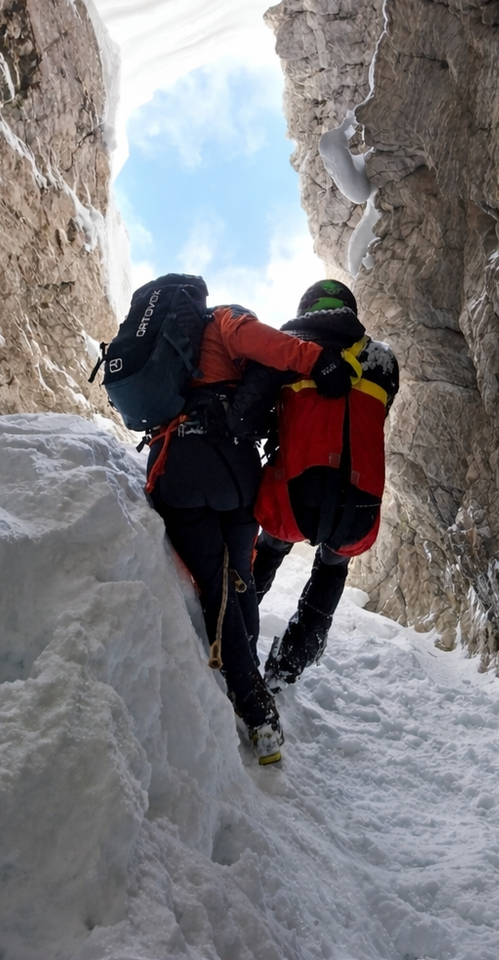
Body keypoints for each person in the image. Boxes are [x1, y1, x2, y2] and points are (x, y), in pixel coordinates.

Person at [140, 273, 353, 766]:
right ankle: (253, 694)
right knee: (239, 581)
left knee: (218, 586)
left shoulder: (179, 347)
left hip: (180, 462)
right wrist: (318, 360)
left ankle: (253, 707)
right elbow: (264, 344)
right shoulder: (227, 318)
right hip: (233, 471)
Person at [251, 279, 399, 692]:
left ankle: (235, 634)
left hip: (293, 496)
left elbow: (260, 412)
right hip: (360, 504)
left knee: (270, 547)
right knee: (333, 568)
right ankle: (291, 663)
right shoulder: (384, 360)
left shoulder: (286, 351)